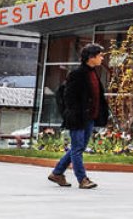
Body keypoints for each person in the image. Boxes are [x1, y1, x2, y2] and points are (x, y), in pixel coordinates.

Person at [47, 42, 109, 190]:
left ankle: (57, 173)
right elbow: (68, 98)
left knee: (78, 147)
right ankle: (83, 179)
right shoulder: (77, 74)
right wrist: (72, 115)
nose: (102, 58)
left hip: (89, 118)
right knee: (77, 148)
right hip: (78, 118)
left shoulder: (93, 73)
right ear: (91, 57)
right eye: (100, 55)